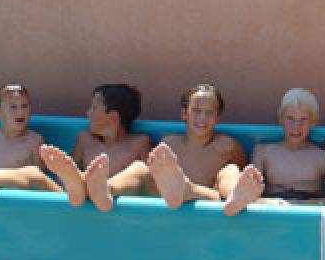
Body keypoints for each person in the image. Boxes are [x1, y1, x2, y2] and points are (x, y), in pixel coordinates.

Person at [56, 84, 247, 212]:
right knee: (141, 168)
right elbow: (154, 179)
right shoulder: (169, 144)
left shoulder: (228, 146)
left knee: (230, 171)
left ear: (218, 118)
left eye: (209, 113)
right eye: (197, 111)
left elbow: (243, 174)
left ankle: (226, 198)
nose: (202, 118)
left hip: (208, 201)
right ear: (184, 114)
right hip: (171, 203)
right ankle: (106, 190)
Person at [222, 88, 325, 216]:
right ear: (281, 119)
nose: (296, 126)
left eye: (303, 119)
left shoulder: (320, 157)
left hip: (308, 212)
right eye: (290, 118)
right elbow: (249, 192)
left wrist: (304, 205)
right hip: (272, 212)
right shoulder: (263, 152)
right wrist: (269, 203)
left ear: (313, 122)